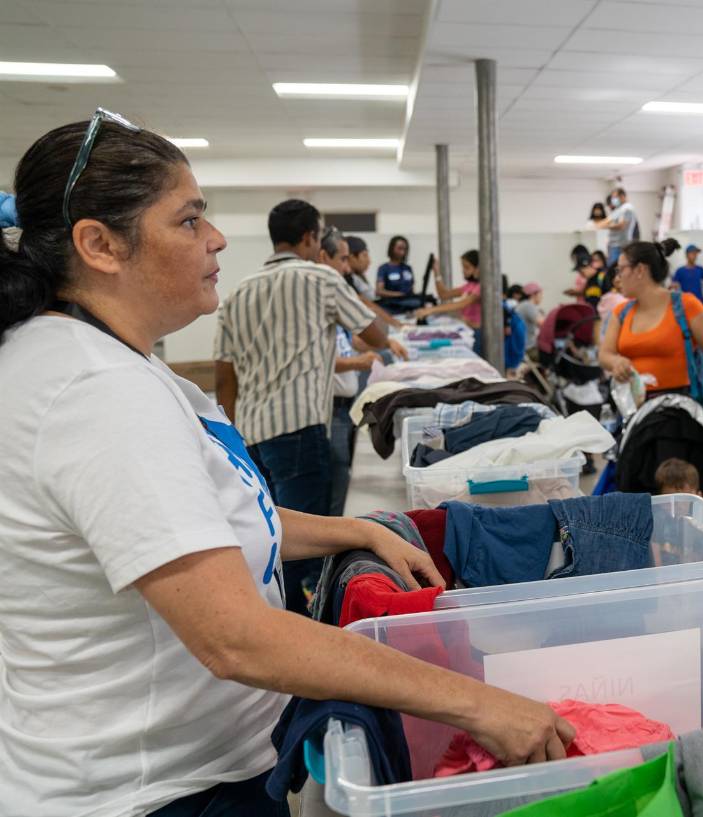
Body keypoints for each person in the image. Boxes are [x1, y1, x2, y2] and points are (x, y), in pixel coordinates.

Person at [0, 114, 574, 817]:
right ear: (100, 245)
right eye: (188, 220)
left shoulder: (109, 361)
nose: (216, 239)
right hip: (152, 795)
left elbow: (212, 523)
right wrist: (477, 702)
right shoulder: (95, 393)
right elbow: (235, 636)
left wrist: (356, 533)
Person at [213, 201, 402, 615]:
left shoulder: (238, 291)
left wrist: (232, 439)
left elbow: (225, 377)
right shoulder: (321, 278)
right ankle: (304, 632)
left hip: (251, 434)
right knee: (306, 545)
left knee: (268, 535)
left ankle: (280, 618)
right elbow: (372, 333)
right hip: (299, 428)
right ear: (308, 239)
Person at [599, 238, 703, 398]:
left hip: (679, 409)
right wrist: (615, 362)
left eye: (620, 270)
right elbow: (605, 354)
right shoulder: (621, 313)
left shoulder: (687, 306)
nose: (617, 278)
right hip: (633, 409)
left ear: (640, 270)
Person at [318, 227, 381, 517]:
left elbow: (345, 340)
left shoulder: (331, 295)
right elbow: (319, 359)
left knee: (343, 477)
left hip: (345, 403)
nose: (346, 268)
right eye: (342, 259)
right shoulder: (320, 294)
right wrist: (360, 361)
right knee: (337, 481)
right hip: (331, 407)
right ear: (322, 256)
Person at [343, 234, 405, 331]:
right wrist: (396, 324)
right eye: (365, 255)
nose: (369, 261)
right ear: (352, 257)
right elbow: (365, 304)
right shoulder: (345, 279)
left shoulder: (355, 277)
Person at [417, 248, 482, 327]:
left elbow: (461, 304)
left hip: (477, 330)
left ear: (478, 268)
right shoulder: (469, 286)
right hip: (467, 327)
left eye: (467, 267)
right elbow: (443, 294)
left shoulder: (480, 287)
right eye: (463, 267)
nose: (463, 270)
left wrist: (430, 310)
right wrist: (437, 273)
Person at [375, 234, 420, 312]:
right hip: (391, 305)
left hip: (409, 304)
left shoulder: (408, 268)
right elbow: (379, 291)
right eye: (399, 248)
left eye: (405, 249)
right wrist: (399, 295)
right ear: (392, 248)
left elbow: (412, 289)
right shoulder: (384, 268)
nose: (402, 252)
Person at [598, 187, 638, 264]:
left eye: (614, 197)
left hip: (621, 245)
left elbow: (622, 225)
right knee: (612, 267)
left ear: (622, 196)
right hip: (614, 244)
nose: (613, 200)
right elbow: (607, 220)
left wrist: (606, 226)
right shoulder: (619, 209)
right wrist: (598, 225)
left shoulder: (627, 208)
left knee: (616, 268)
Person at [516, 281, 545, 349]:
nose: (542, 297)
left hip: (525, 345)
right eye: (540, 294)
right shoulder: (528, 305)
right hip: (528, 347)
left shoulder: (523, 304)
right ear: (533, 295)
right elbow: (543, 324)